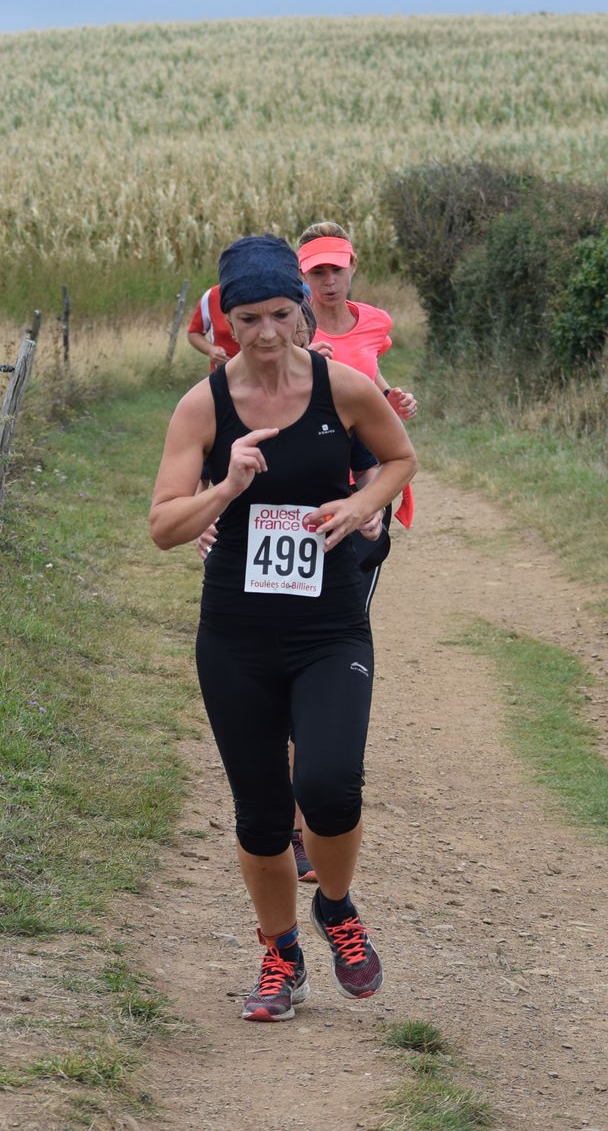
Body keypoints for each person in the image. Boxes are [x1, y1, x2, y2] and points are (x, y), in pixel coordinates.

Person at [150, 234, 417, 1022]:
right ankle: (280, 953)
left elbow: (400, 460)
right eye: (247, 319)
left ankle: (335, 905)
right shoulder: (203, 406)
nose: (265, 333)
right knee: (263, 813)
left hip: (329, 625)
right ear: (227, 322)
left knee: (329, 786)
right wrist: (225, 487)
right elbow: (164, 525)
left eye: (278, 315)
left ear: (302, 311)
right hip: (236, 633)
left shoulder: (345, 388)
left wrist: (361, 506)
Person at [297, 222, 418, 529]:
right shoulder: (292, 329)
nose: (329, 282)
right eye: (318, 272)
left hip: (370, 473)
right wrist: (302, 362)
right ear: (302, 275)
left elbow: (368, 369)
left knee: (366, 557)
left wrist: (392, 397)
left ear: (353, 265)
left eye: (337, 270)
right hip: (313, 473)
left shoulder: (376, 322)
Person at [184, 284, 240, 368]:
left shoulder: (260, 292)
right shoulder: (212, 295)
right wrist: (211, 349)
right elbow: (194, 333)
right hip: (223, 372)